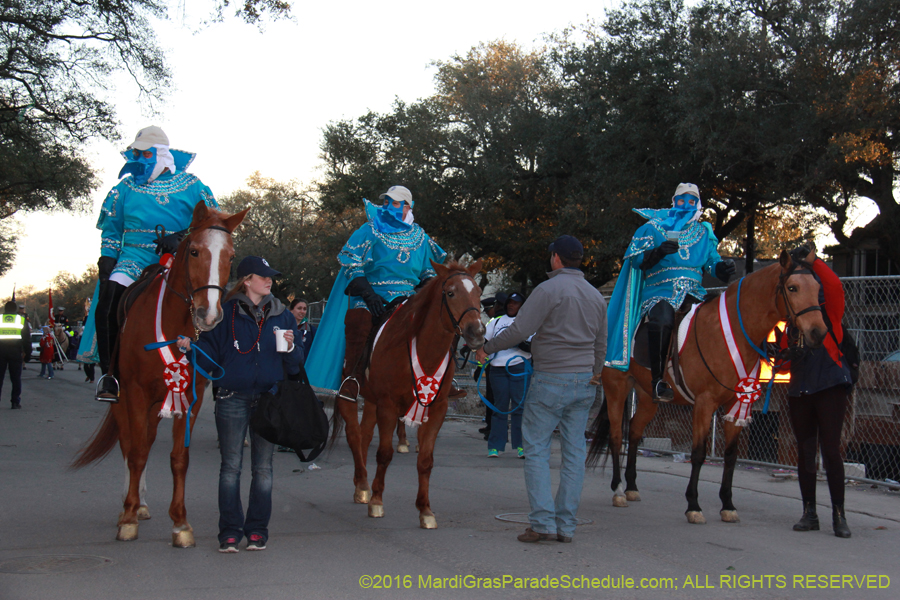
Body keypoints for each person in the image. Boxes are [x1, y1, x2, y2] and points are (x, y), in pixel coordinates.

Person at [475, 235, 607, 544]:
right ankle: (566, 526)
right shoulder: (595, 296)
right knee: (574, 453)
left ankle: (542, 522)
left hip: (551, 377)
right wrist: (595, 373)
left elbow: (519, 329)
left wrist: (487, 348)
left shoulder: (548, 290)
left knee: (536, 449)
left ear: (556, 258)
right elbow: (601, 342)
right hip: (584, 380)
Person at [80, 125, 218, 401]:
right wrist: (107, 260)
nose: (139, 159)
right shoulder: (124, 188)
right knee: (109, 297)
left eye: (145, 154)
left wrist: (181, 237)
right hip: (132, 258)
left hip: (177, 260)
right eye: (136, 154)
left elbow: (211, 223)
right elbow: (111, 231)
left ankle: (205, 364)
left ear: (162, 154)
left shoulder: (192, 186)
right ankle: (110, 374)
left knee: (210, 297)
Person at [178, 256, 302, 553]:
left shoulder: (283, 315)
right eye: (263, 276)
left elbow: (296, 365)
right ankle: (230, 533)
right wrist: (190, 349)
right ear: (247, 281)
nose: (269, 280)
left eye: (270, 276)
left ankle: (257, 531)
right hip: (231, 397)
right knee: (231, 467)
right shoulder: (226, 313)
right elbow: (209, 357)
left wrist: (292, 347)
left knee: (263, 468)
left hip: (269, 399)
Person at [306, 185, 446, 398]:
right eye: (386, 201)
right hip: (372, 295)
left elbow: (428, 272)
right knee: (359, 322)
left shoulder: (421, 237)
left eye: (395, 203)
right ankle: (351, 378)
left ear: (408, 207)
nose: (389, 206)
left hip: (408, 297)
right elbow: (352, 264)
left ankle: (439, 379)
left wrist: (428, 294)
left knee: (438, 323)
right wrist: (369, 295)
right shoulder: (370, 229)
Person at [605, 183, 735, 401]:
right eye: (681, 200)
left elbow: (712, 262)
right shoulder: (653, 228)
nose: (686, 205)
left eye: (692, 201)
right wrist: (657, 252)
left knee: (718, 318)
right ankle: (658, 381)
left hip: (696, 292)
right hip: (660, 290)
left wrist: (723, 268)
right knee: (663, 318)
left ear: (698, 205)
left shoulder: (704, 232)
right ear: (673, 202)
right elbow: (636, 261)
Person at [783, 246, 854, 538]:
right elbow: (783, 361)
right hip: (800, 389)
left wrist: (815, 260)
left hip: (829, 385)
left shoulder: (830, 313)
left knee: (831, 451)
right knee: (805, 451)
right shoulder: (791, 324)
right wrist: (783, 355)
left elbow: (835, 286)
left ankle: (839, 515)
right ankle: (809, 512)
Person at [484, 292, 532, 458]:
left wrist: (514, 341)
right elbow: (485, 341)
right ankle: (495, 445)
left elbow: (531, 346)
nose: (512, 305)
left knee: (519, 407)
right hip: (497, 368)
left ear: (522, 306)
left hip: (520, 367)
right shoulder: (496, 322)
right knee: (499, 407)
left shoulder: (528, 322)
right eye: (510, 302)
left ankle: (521, 445)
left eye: (516, 303)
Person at [0, 300, 30, 409]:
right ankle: (15, 402)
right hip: (15, 352)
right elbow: (26, 339)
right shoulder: (21, 320)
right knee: (16, 378)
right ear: (15, 309)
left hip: (1, 351)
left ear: (5, 309)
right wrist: (28, 354)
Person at [289, 298, 317, 364]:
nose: (302, 311)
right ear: (291, 310)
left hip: (303, 367)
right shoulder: (283, 327)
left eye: (304, 309)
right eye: (299, 308)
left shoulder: (312, 331)